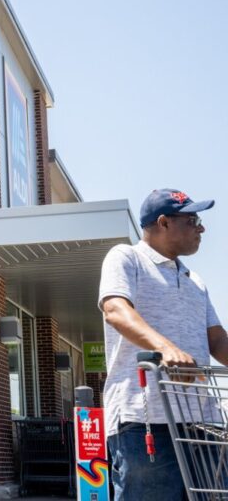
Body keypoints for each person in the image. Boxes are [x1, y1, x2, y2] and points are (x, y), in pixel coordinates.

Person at [99, 188, 228, 500]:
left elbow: (218, 340)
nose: (201, 227)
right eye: (192, 220)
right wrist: (165, 348)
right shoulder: (126, 258)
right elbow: (115, 309)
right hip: (144, 419)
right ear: (163, 223)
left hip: (203, 422)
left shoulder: (195, 280)